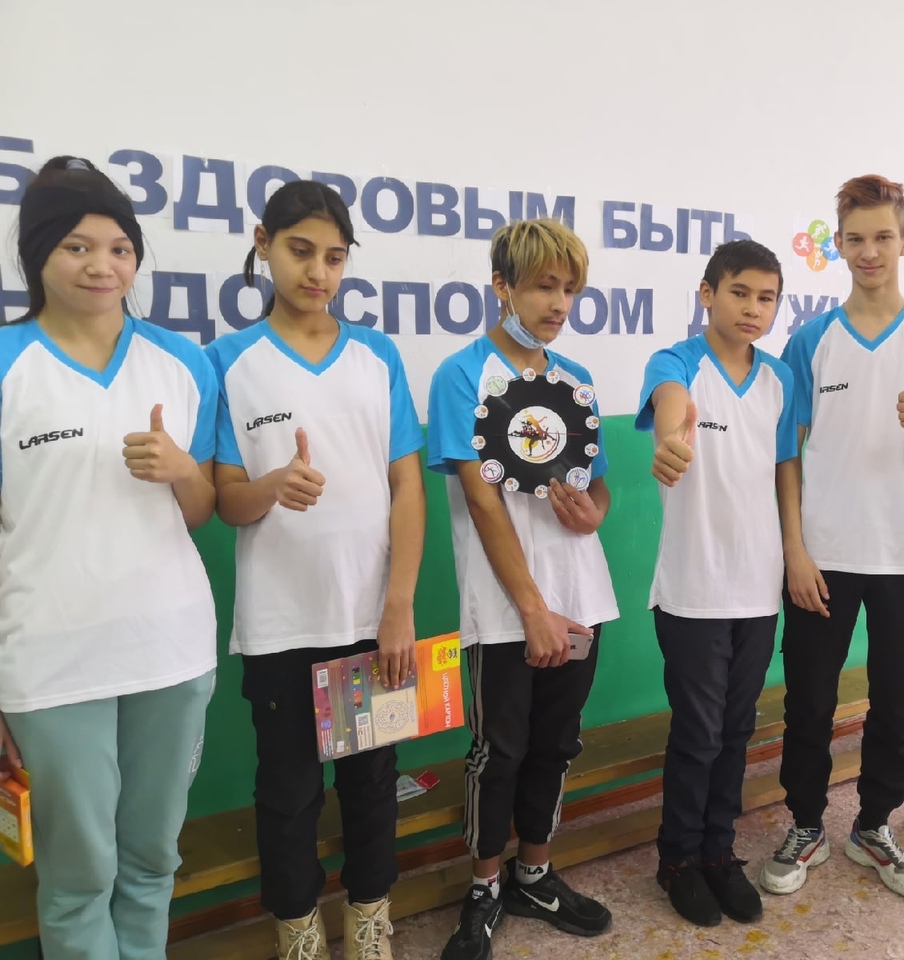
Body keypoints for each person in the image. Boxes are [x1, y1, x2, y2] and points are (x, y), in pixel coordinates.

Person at [0, 156, 218, 958]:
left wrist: (182, 469)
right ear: (39, 256)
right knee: (78, 874)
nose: (103, 266)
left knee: (151, 860)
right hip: (50, 662)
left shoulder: (184, 363)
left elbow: (201, 510)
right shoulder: (9, 364)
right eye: (78, 247)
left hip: (170, 651)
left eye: (120, 248)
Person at [207, 180, 426, 960]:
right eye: (301, 251)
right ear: (263, 243)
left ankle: (369, 919)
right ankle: (298, 930)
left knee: (373, 783)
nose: (318, 272)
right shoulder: (227, 362)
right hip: (280, 625)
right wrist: (272, 487)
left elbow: (407, 486)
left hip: (371, 619)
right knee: (289, 791)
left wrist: (398, 606)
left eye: (335, 257)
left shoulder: (377, 355)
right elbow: (226, 502)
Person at [760, 174, 904, 901]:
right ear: (839, 247)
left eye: (884, 237)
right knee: (809, 701)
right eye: (856, 239)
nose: (870, 251)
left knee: (898, 702)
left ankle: (874, 826)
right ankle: (806, 825)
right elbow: (788, 455)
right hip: (822, 553)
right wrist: (794, 550)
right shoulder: (810, 340)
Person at [426, 219, 617, 960]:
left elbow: (598, 489)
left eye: (569, 289)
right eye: (543, 286)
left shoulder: (576, 380)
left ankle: (534, 875)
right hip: (506, 611)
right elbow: (482, 502)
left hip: (584, 594)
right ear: (501, 286)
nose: (558, 303)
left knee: (556, 745)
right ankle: (483, 888)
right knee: (497, 752)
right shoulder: (461, 376)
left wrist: (593, 511)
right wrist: (532, 608)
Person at [638, 240, 797, 927]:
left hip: (758, 587)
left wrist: (795, 552)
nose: (753, 308)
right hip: (693, 590)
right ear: (708, 294)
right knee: (699, 733)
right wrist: (671, 443)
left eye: (766, 297)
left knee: (736, 730)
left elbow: (786, 470)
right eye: (739, 293)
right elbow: (672, 411)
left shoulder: (779, 379)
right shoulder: (676, 363)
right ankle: (677, 858)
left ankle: (718, 852)